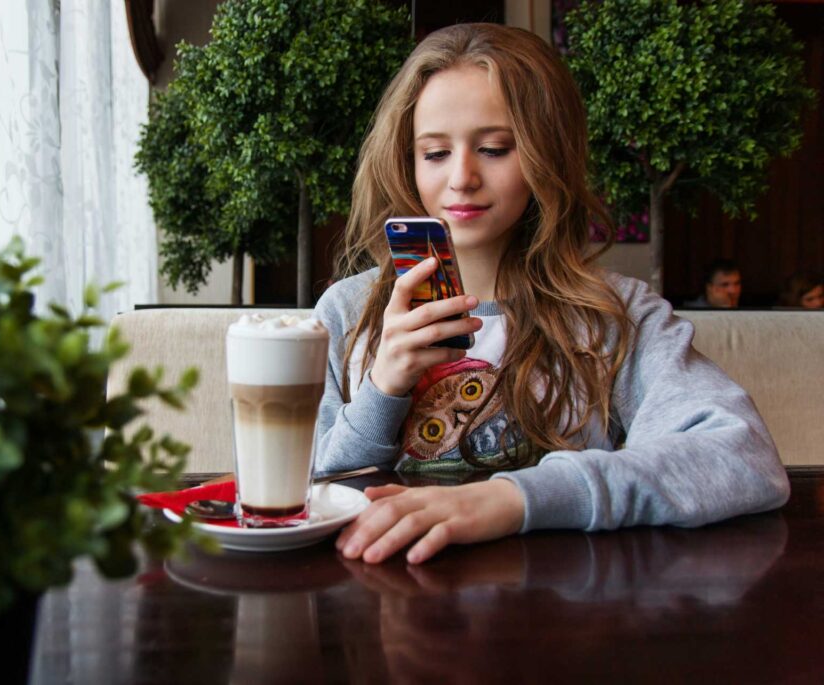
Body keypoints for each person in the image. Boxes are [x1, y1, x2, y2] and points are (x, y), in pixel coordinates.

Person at [311, 23, 788, 565]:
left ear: (547, 154)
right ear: (407, 160)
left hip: (559, 614)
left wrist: (515, 498)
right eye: (436, 153)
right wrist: (382, 391)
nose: (462, 177)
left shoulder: (614, 316)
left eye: (494, 148)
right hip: (382, 610)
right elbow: (296, 496)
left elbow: (744, 458)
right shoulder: (349, 313)